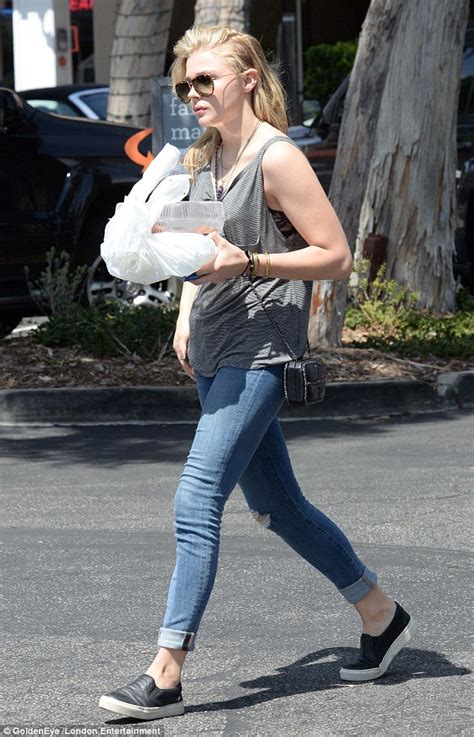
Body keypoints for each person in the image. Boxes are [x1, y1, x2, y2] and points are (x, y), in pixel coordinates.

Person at [99, 25, 415, 721]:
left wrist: (256, 262)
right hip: (213, 346)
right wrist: (186, 311)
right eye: (187, 84)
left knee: (196, 498)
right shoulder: (205, 156)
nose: (193, 93)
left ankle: (166, 672)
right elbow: (196, 245)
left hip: (263, 351)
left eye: (205, 79)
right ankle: (380, 613)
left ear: (246, 79)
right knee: (279, 508)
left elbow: (336, 255)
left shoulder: (277, 158)